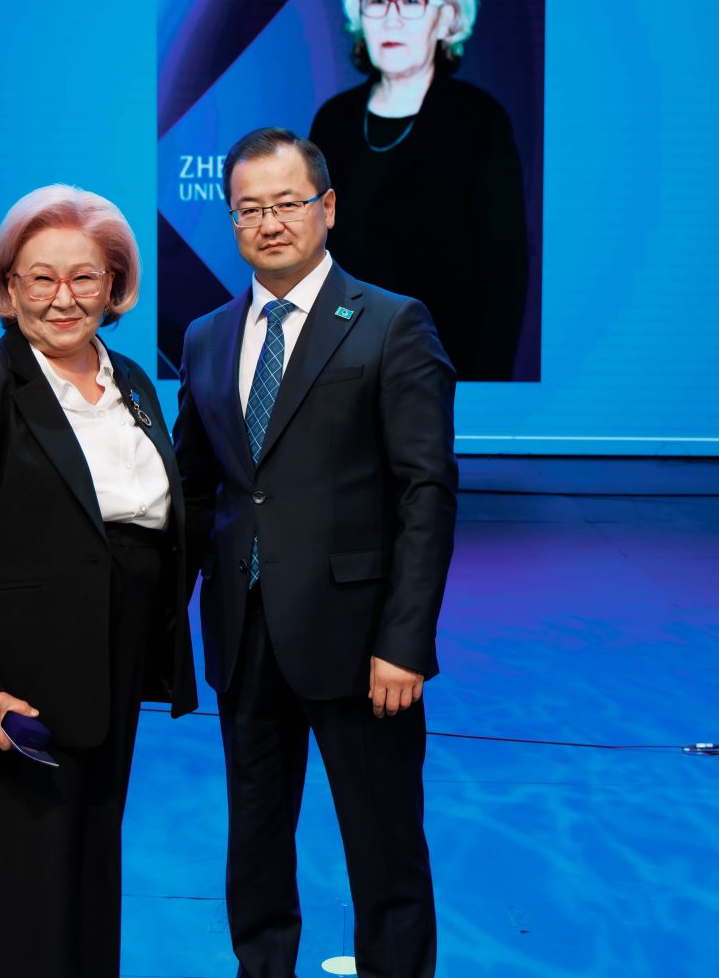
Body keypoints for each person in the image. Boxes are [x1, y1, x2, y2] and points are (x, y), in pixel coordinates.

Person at [173, 127, 457, 977]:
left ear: (327, 208)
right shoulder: (206, 337)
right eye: (248, 209)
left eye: (287, 203)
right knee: (255, 841)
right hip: (245, 634)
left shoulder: (391, 323)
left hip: (361, 645)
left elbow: (425, 494)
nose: (268, 223)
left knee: (384, 849)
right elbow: (197, 491)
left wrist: (405, 642)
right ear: (232, 221)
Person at [0, 184, 197, 978]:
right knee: (15, 916)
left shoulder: (133, 383)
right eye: (40, 277)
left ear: (114, 285)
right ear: (8, 287)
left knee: (86, 897)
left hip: (107, 686)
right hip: (12, 698)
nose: (63, 298)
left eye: (84, 277)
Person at [310, 0, 528, 381]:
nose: (391, 18)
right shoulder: (333, 120)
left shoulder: (479, 120)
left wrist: (481, 389)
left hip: (445, 374)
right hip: (342, 375)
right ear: (359, 13)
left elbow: (505, 274)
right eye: (377, 1)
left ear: (447, 17)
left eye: (411, 1)